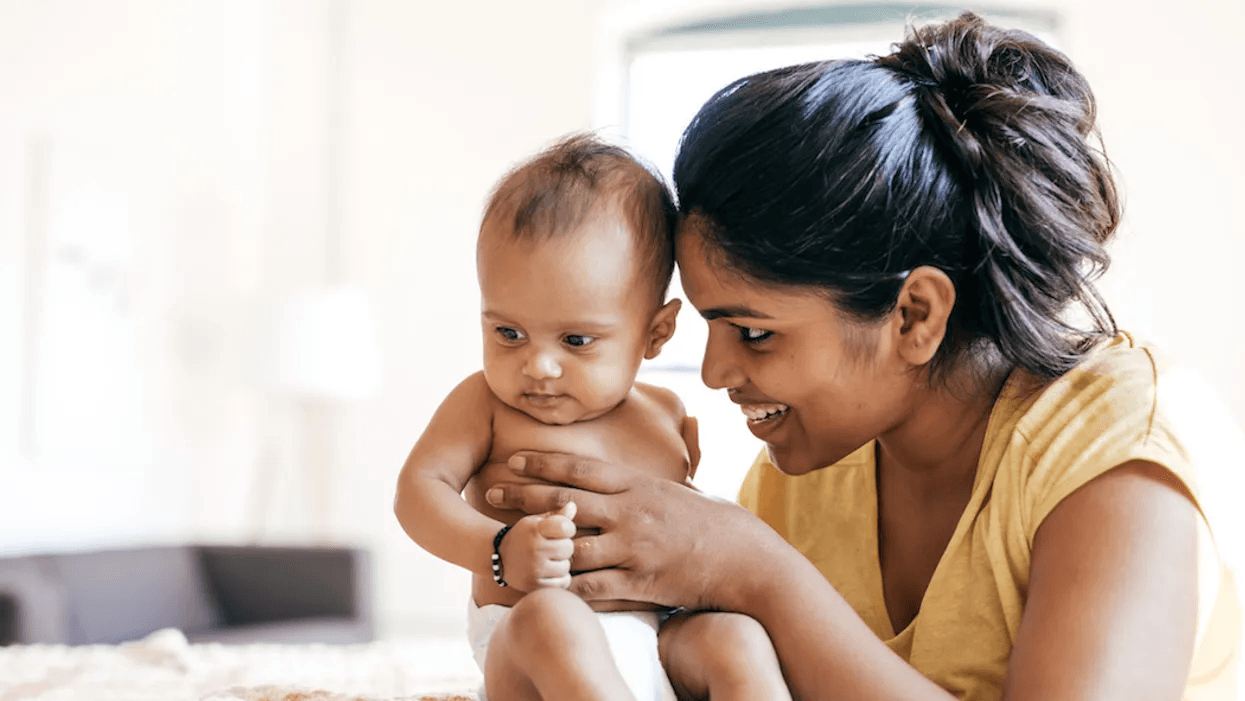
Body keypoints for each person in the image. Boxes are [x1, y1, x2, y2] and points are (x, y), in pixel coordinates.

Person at [483, 12, 1242, 701]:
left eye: (752, 332)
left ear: (913, 314)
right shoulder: (804, 474)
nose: (713, 373)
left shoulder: (1113, 451)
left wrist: (757, 573)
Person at [393, 134, 791, 701]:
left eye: (576, 340)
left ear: (656, 334)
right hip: (527, 647)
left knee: (736, 639)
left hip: (656, 638)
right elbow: (417, 493)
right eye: (508, 333)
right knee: (554, 618)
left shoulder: (668, 416)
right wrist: (500, 550)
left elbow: (681, 525)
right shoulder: (484, 404)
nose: (539, 366)